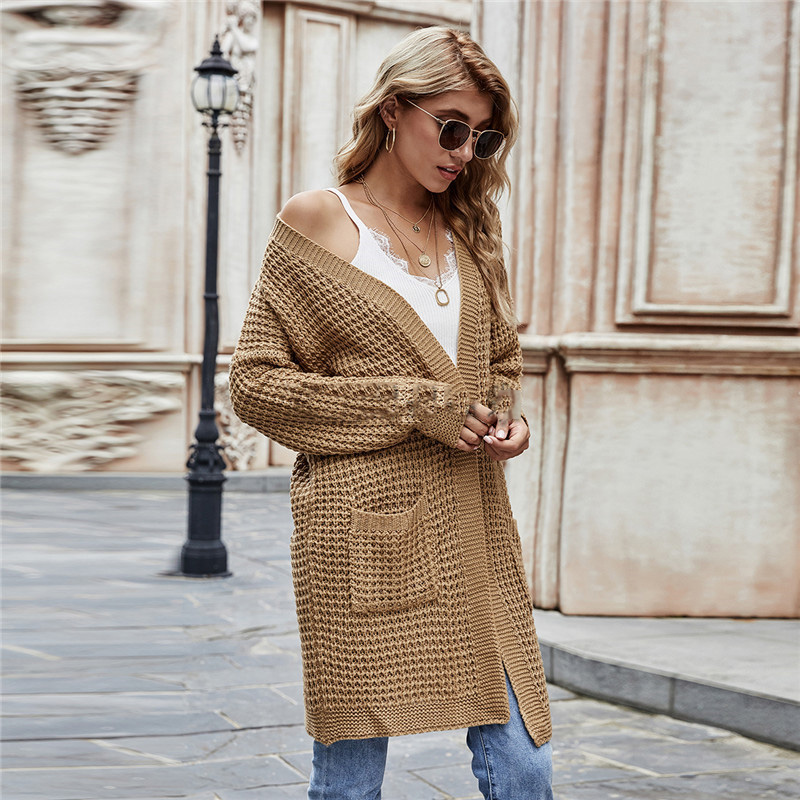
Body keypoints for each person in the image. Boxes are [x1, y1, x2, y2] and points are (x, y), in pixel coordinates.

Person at [229, 26, 553, 800]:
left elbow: (499, 360)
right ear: (393, 110)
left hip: (473, 526)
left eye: (482, 137)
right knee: (350, 780)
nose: (464, 152)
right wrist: (416, 405)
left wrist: (504, 419)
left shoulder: (471, 228)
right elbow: (256, 382)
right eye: (451, 127)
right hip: (358, 538)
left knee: (523, 763)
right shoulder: (318, 219)